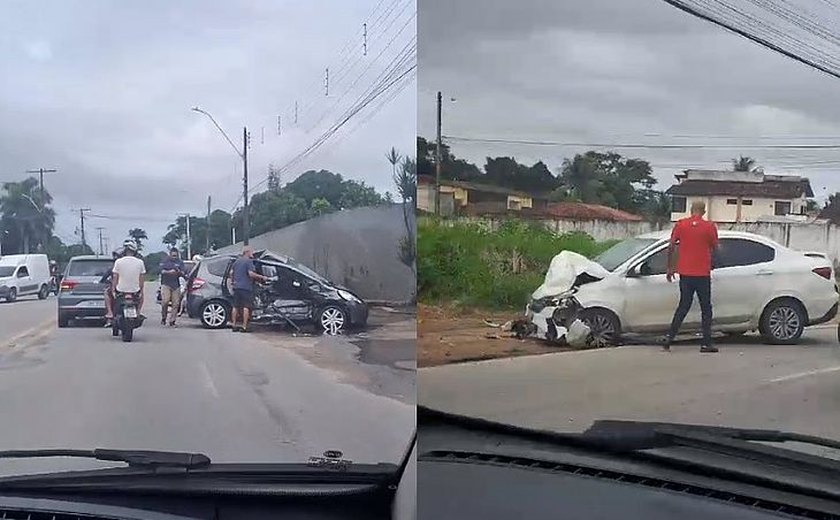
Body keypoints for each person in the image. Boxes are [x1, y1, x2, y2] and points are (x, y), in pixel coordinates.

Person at [663, 200, 719, 353]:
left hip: (685, 273)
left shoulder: (681, 225)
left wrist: (670, 267)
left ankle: (669, 337)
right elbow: (715, 247)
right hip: (702, 273)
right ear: (704, 211)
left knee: (683, 306)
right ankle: (706, 343)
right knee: (706, 308)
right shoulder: (709, 226)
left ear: (690, 210)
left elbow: (671, 245)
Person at [230, 246, 271, 332]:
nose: (252, 253)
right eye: (251, 252)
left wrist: (233, 282)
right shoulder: (249, 261)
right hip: (246, 287)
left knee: (235, 306)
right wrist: (262, 277)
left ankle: (234, 325)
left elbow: (231, 273)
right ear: (247, 252)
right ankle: (244, 327)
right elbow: (251, 274)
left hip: (236, 287)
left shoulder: (237, 261)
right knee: (246, 306)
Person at [112, 239, 146, 318]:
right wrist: (141, 291)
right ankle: (138, 312)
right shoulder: (140, 262)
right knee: (142, 297)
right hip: (135, 290)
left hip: (121, 290)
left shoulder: (118, 262)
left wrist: (113, 290)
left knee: (112, 297)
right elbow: (141, 280)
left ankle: (111, 314)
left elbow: (115, 277)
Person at [158, 247, 185, 326]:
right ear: (170, 255)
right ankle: (164, 317)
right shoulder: (165, 261)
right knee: (165, 301)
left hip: (176, 285)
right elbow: (161, 271)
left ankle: (172, 320)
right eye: (173, 255)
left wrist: (179, 272)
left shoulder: (180, 262)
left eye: (175, 256)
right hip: (166, 284)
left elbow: (183, 272)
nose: (174, 257)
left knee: (176, 304)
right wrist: (169, 272)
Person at [102, 247, 123, 325]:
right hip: (130, 288)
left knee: (106, 293)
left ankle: (110, 312)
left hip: (118, 288)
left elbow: (104, 277)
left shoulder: (114, 268)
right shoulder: (131, 265)